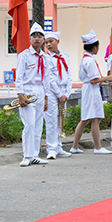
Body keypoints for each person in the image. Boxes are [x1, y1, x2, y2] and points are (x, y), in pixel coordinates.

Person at [15, 23, 55, 167]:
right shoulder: (24, 56)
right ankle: (27, 155)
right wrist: (20, 95)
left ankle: (35, 155)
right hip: (27, 90)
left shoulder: (45, 57)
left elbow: (46, 79)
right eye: (34, 36)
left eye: (40, 36)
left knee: (38, 125)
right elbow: (19, 77)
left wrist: (46, 98)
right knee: (29, 124)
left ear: (43, 39)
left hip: (40, 91)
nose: (37, 39)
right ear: (30, 39)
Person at [71, 30, 112, 155]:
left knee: (86, 119)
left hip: (89, 89)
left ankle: (75, 146)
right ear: (95, 47)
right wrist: (107, 78)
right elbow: (94, 79)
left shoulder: (86, 59)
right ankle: (98, 147)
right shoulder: (89, 61)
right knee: (95, 118)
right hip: (91, 90)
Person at [44, 32, 73, 160]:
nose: (48, 44)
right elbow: (49, 78)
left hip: (63, 91)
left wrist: (66, 93)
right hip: (51, 91)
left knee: (60, 119)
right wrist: (59, 94)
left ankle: (59, 146)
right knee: (51, 120)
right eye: (46, 42)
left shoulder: (65, 57)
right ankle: (51, 148)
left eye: (51, 41)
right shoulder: (45, 58)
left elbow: (69, 76)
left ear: (57, 41)